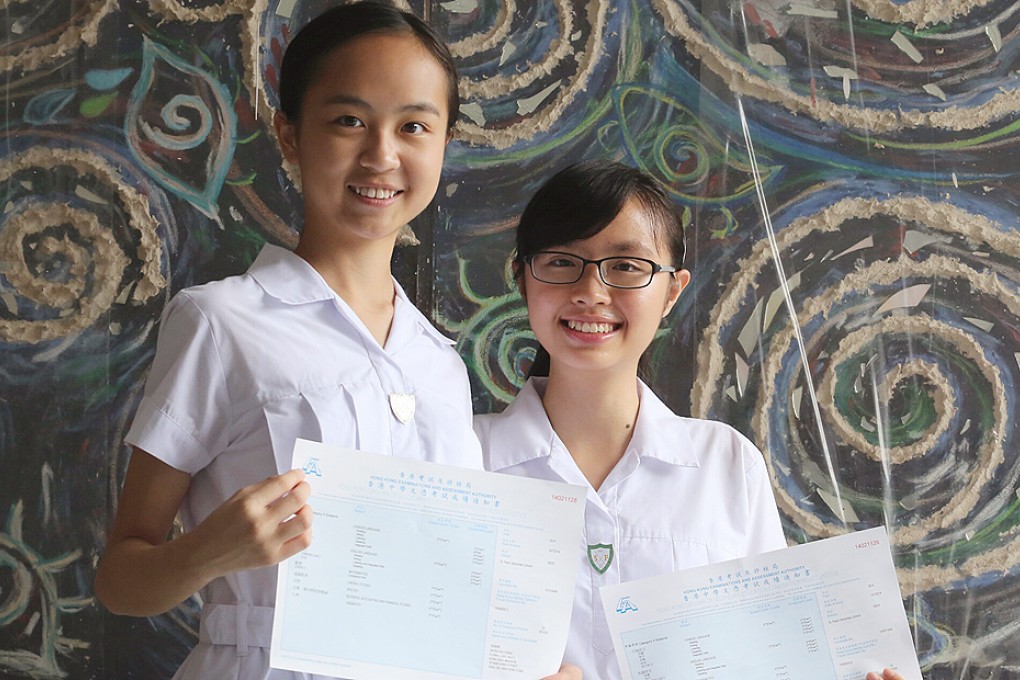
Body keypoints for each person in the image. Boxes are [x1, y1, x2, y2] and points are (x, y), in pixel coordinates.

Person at [95, 3, 578, 679]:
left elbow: (440, 599)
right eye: (349, 121)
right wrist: (209, 552)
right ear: (290, 136)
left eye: (413, 126)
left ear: (443, 143)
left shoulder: (436, 363)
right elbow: (120, 580)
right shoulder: (222, 321)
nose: (381, 155)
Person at [474, 160, 909, 680]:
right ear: (523, 278)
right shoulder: (462, 456)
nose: (591, 291)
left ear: (672, 291)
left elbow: (771, 665)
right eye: (562, 262)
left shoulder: (725, 465)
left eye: (627, 266)